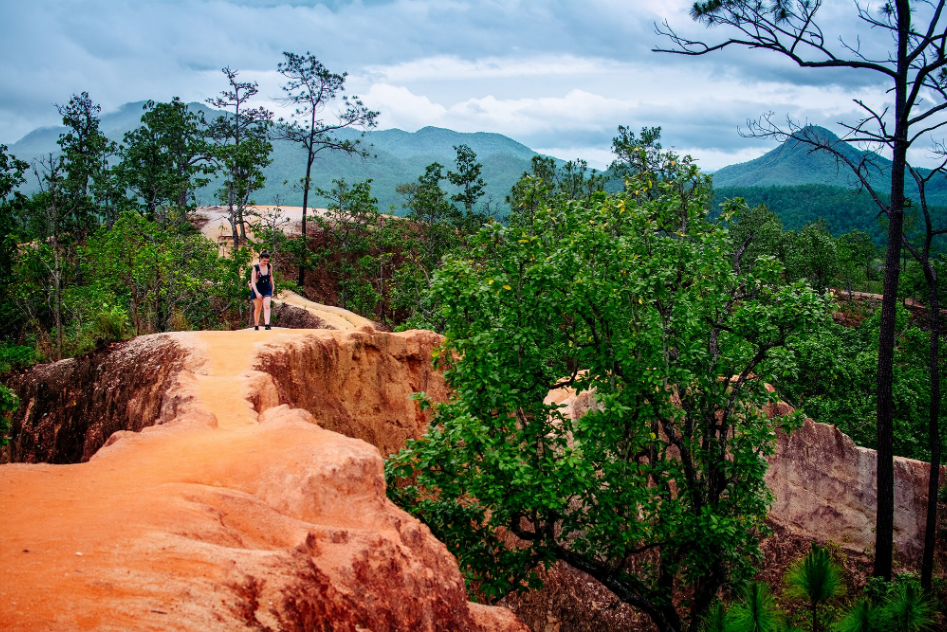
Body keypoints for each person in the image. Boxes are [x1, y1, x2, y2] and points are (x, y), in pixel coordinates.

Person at [250, 252, 275, 330]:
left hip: (266, 287)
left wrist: (273, 286)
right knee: (258, 308)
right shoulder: (256, 268)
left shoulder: (269, 266)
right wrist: (257, 293)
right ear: (260, 259)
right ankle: (256, 325)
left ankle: (267, 324)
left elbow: (271, 276)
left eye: (267, 261)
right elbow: (253, 282)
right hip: (258, 288)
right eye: (264, 260)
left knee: (267, 305)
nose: (265, 262)